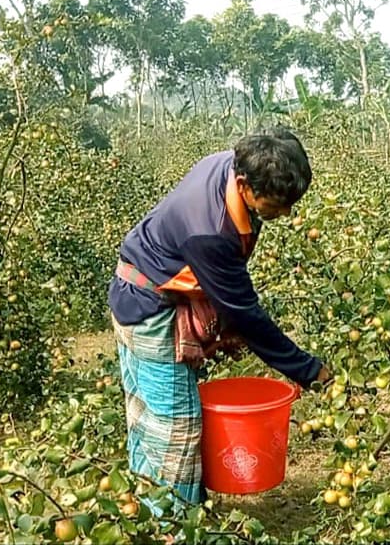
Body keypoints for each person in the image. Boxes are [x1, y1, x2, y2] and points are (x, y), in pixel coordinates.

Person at [107, 127, 332, 509]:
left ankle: (142, 516)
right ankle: (173, 527)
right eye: (277, 203)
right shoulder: (208, 232)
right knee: (175, 433)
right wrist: (309, 370)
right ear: (244, 183)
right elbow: (245, 313)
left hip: (136, 291)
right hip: (150, 313)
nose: (286, 213)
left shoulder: (229, 165)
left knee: (147, 421)